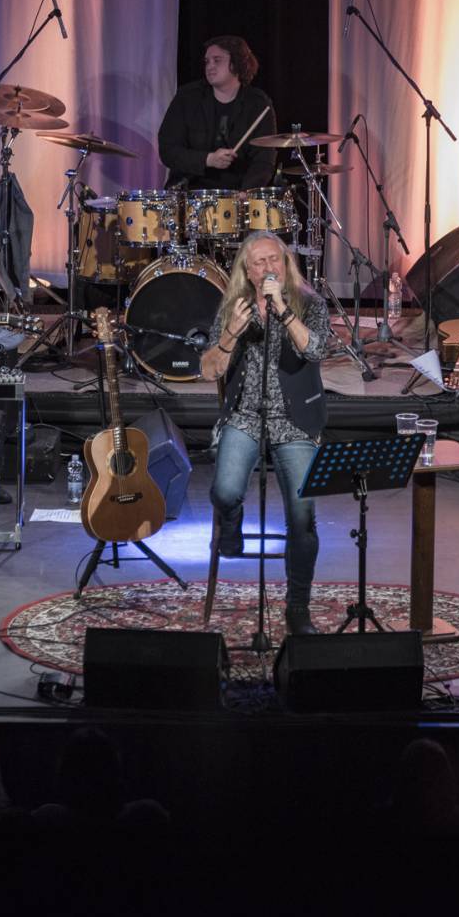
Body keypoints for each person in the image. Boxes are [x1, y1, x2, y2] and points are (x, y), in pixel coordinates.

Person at [198, 231, 333, 635]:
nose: (268, 267)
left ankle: (297, 606)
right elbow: (208, 371)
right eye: (259, 262)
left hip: (294, 420)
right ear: (247, 270)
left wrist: (284, 312)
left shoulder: (310, 304)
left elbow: (316, 351)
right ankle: (233, 522)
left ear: (286, 263)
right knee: (223, 492)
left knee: (302, 516)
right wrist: (230, 334)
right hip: (245, 413)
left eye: (275, 259)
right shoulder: (233, 308)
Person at [158, 35, 277, 191]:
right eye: (207, 61)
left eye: (217, 60)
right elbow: (168, 150)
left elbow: (264, 160)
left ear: (236, 63)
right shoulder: (187, 97)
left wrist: (247, 192)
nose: (210, 66)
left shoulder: (258, 103)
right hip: (190, 193)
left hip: (239, 193)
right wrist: (208, 159)